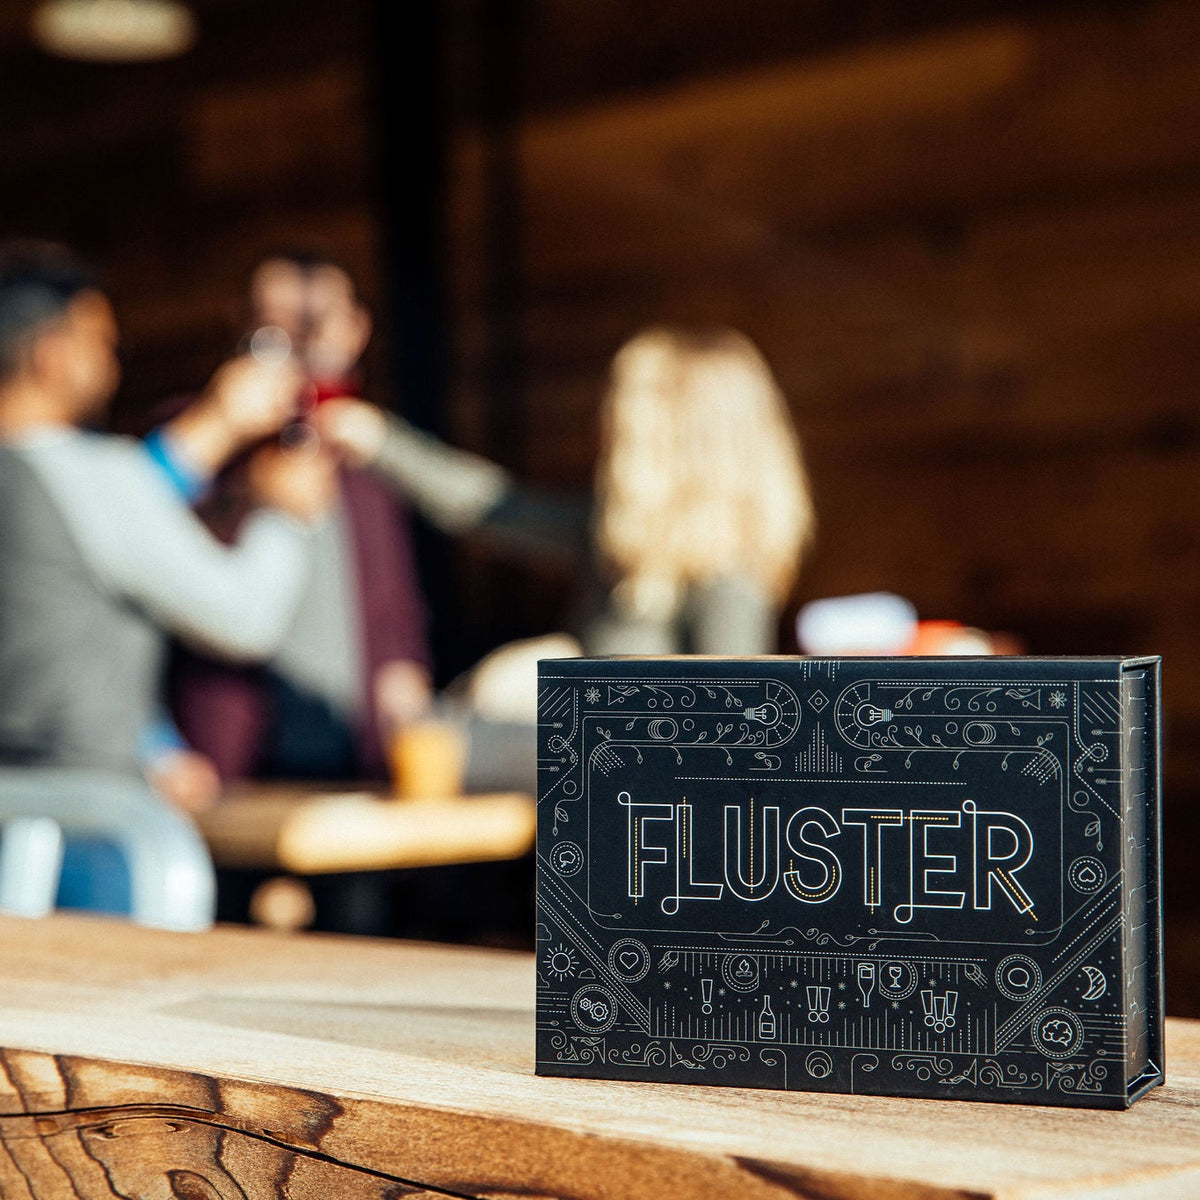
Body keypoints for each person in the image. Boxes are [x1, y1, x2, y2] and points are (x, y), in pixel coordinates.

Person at [0, 241, 333, 924]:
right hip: (92, 840)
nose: (114, 362)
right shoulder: (89, 475)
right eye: (102, 343)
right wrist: (281, 513)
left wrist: (153, 742)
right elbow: (245, 617)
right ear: (53, 355)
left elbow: (73, 593)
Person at [317, 326, 816, 659]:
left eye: (623, 426)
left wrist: (553, 686)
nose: (605, 436)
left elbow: (724, 750)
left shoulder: (728, 583)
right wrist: (380, 440)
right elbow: (493, 508)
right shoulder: (618, 539)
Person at [164, 252, 434, 790]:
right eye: (279, 323)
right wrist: (246, 495)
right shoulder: (201, 439)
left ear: (356, 330)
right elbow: (147, 553)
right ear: (242, 326)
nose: (301, 343)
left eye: (318, 323)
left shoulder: (365, 456)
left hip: (357, 758)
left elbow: (395, 610)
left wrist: (407, 688)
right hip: (230, 757)